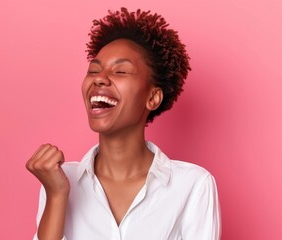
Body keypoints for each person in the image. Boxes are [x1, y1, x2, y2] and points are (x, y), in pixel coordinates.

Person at [26, 7, 221, 240]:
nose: (99, 78)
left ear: (152, 97)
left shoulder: (193, 185)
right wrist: (57, 195)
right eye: (94, 70)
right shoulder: (58, 179)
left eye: (120, 71)